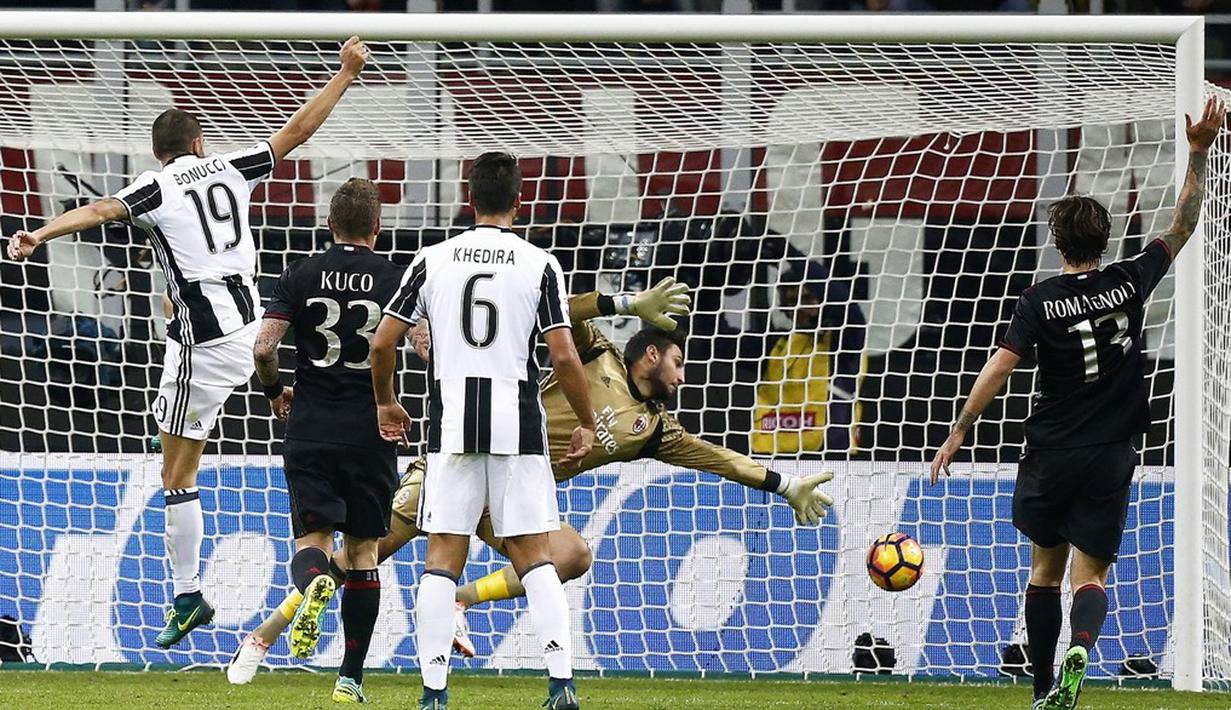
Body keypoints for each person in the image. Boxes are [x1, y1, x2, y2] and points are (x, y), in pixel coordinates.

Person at [227, 278, 836, 679]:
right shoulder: (597, 355)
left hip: (515, 498)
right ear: (650, 353)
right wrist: (626, 303)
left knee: (571, 553)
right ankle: (262, 637)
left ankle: (457, 602)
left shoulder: (655, 429)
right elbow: (559, 314)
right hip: (465, 459)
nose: (683, 373)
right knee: (365, 555)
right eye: (678, 360)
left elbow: (719, 457)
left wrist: (783, 486)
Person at [4, 36, 369, 648]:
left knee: (176, 473)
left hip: (202, 344)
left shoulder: (156, 186)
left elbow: (97, 211)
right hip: (254, 327)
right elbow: (297, 130)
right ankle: (287, 418)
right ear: (199, 143)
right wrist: (346, 73)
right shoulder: (230, 166)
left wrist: (39, 233)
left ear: (159, 152)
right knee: (230, 397)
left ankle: (188, 594)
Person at [930, 97, 1225, 710]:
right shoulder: (1130, 279)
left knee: (1044, 570)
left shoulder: (1039, 301)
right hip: (1111, 452)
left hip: (1051, 451)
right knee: (1090, 578)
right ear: (1106, 237)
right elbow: (1183, 225)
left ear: (1058, 241)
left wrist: (960, 429)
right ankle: (1082, 645)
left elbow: (999, 369)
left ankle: (1042, 691)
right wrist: (1196, 152)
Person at [372, 152, 596, 710]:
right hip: (517, 427)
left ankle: (433, 695)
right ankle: (561, 686)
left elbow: (382, 342)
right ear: (520, 202)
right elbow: (565, 357)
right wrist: (587, 421)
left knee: (442, 560)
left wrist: (385, 402)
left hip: (450, 429)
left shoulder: (431, 260)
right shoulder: (541, 264)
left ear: (469, 200)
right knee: (534, 556)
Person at [244, 178, 401, 702]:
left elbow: (264, 349)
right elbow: (425, 347)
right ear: (377, 229)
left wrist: (273, 394)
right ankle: (350, 679)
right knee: (362, 554)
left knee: (313, 545)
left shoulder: (301, 273)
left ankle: (313, 581)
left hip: (310, 427)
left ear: (330, 226)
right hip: (370, 431)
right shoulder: (395, 279)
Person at [751, 257, 866, 455]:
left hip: (832, 456)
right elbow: (717, 340)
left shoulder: (845, 341)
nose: (799, 308)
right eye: (793, 301)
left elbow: (847, 308)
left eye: (807, 300)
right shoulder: (774, 343)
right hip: (772, 456)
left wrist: (793, 256)